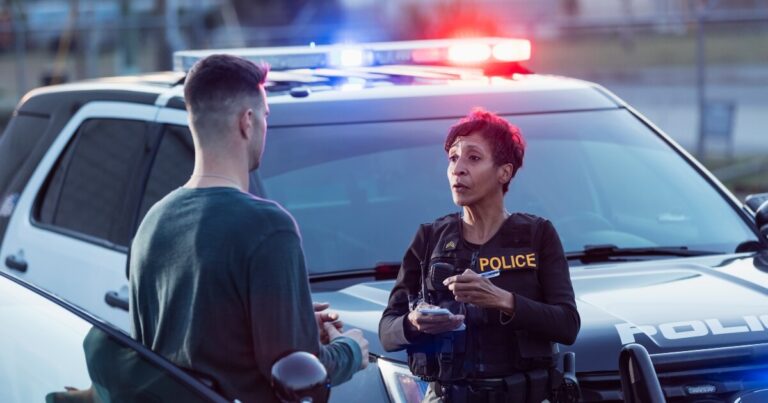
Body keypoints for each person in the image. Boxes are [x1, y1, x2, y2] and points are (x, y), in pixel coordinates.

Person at [129, 54, 368, 403]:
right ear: (247, 121)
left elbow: (175, 347)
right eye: (266, 117)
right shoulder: (268, 226)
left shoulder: (152, 224)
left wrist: (293, 317)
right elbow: (296, 377)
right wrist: (350, 352)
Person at [379, 109, 580, 402]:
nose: (458, 169)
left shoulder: (539, 235)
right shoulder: (429, 238)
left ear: (504, 172)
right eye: (453, 158)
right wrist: (414, 322)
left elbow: (567, 325)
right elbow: (387, 332)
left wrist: (503, 301)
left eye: (473, 158)